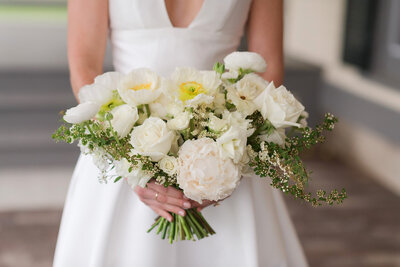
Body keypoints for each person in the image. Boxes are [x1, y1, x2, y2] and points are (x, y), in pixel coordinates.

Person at [54, 0, 308, 266]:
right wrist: (129, 162)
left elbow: (267, 70)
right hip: (123, 148)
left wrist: (228, 164)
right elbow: (85, 67)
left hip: (227, 146)